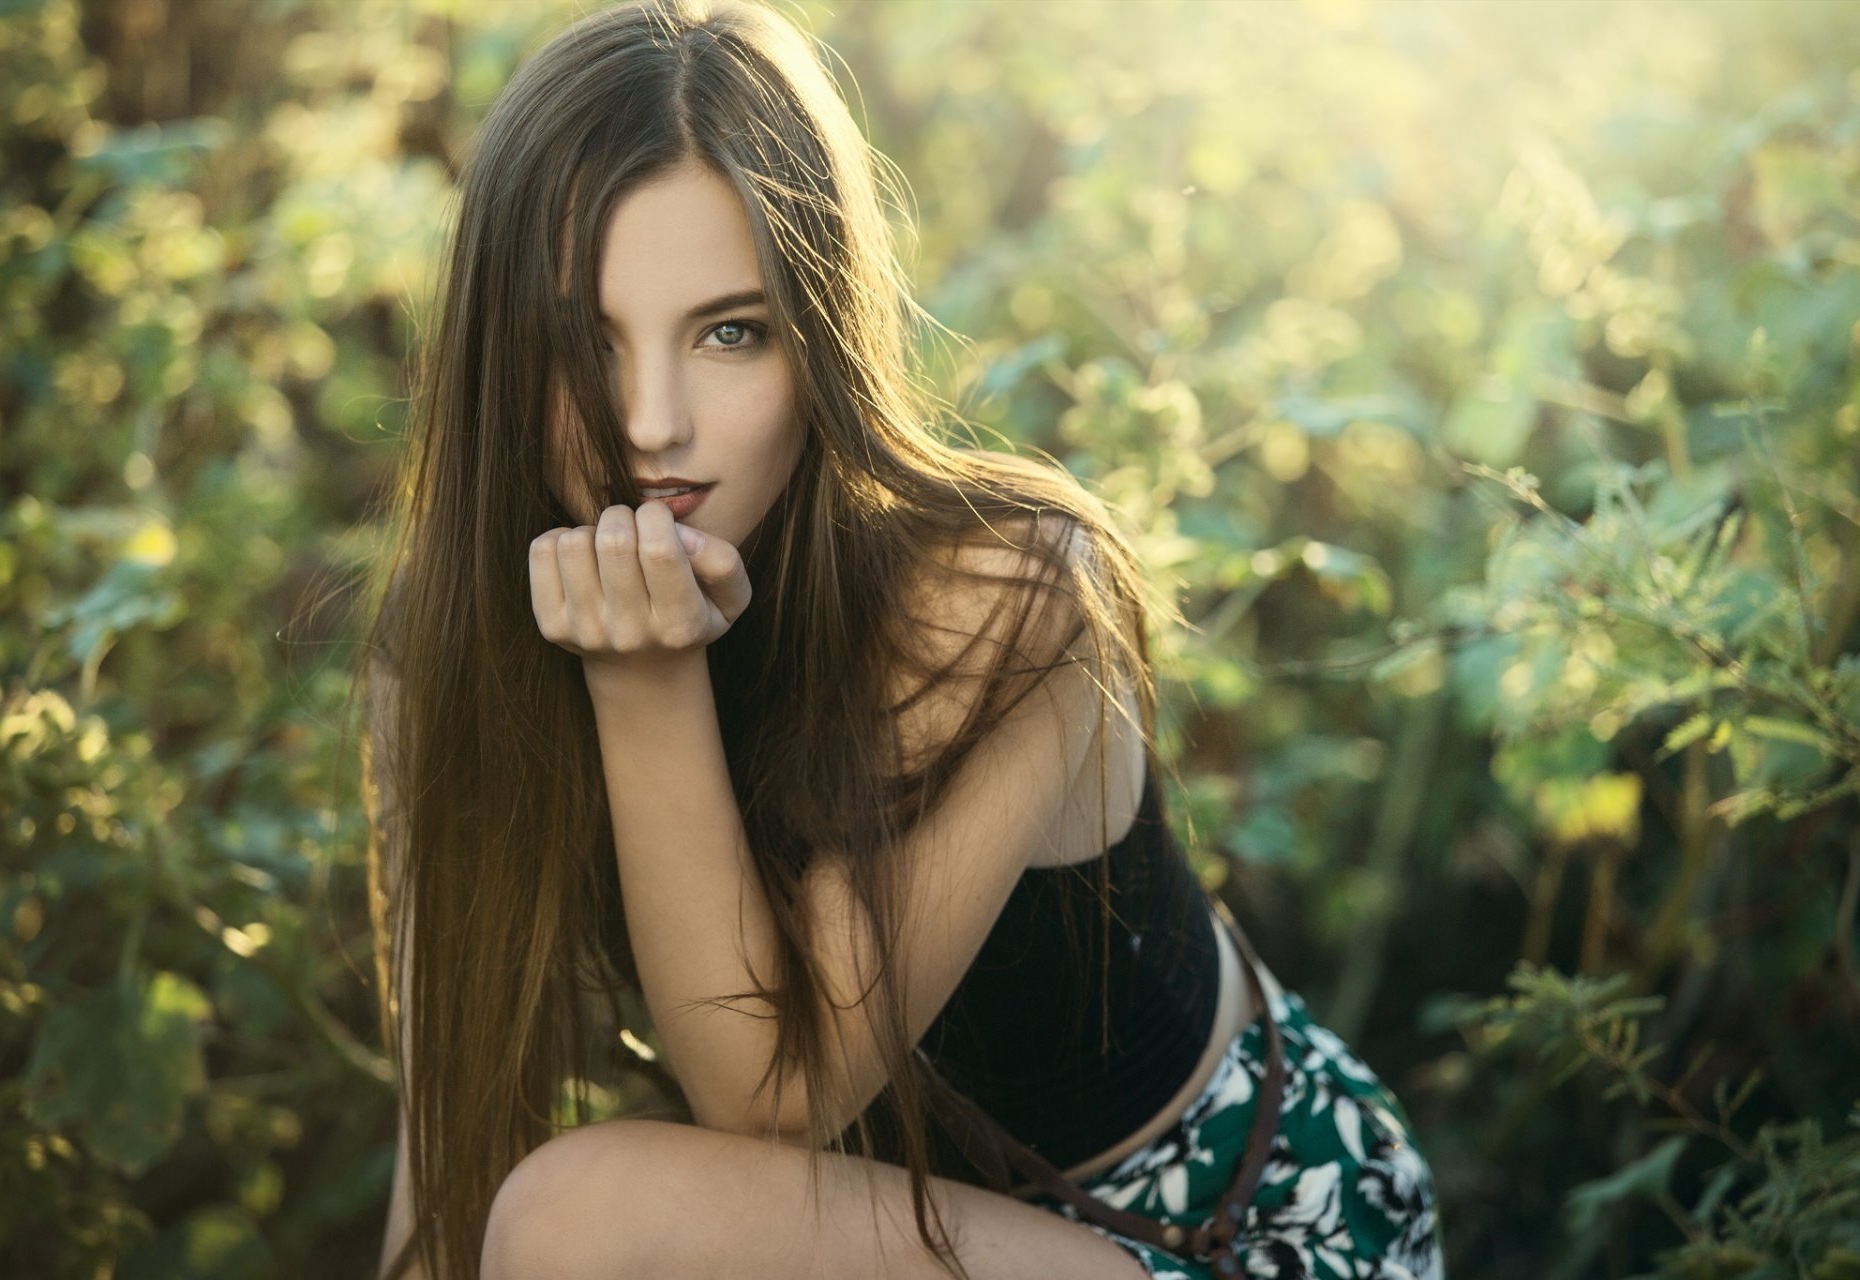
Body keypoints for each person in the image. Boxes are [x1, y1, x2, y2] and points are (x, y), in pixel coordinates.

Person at [358, 1, 1443, 1277]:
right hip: (900, 1237)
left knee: (578, 1215)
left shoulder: (999, 593)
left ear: (819, 336)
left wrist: (646, 676)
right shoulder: (448, 660)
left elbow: (772, 1097)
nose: (651, 424)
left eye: (729, 333)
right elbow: (446, 1160)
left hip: (1230, 1232)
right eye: (582, 341)